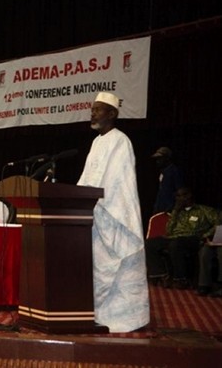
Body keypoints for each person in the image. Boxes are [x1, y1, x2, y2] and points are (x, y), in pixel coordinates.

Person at [77, 92, 149, 333]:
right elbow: (87, 179)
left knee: (119, 269)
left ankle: (127, 320)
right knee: (97, 271)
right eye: (92, 109)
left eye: (98, 109)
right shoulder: (97, 142)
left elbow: (119, 183)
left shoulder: (121, 141)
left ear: (112, 114)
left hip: (114, 217)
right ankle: (99, 314)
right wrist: (76, 199)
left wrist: (95, 202)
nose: (93, 113)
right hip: (95, 216)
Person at [146, 187, 219, 289]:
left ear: (190, 195)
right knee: (149, 243)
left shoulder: (204, 210)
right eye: (178, 196)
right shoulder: (177, 212)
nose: (181, 198)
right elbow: (169, 231)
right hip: (175, 238)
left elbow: (219, 224)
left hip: (193, 238)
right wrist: (175, 211)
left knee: (175, 244)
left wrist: (205, 235)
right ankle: (161, 274)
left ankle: (180, 279)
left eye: (184, 195)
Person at [151, 147, 183, 214]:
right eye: (157, 159)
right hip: (161, 208)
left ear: (167, 158)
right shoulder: (163, 172)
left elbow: (179, 191)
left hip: (169, 210)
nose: (158, 161)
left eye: (160, 158)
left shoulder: (174, 171)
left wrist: (173, 207)